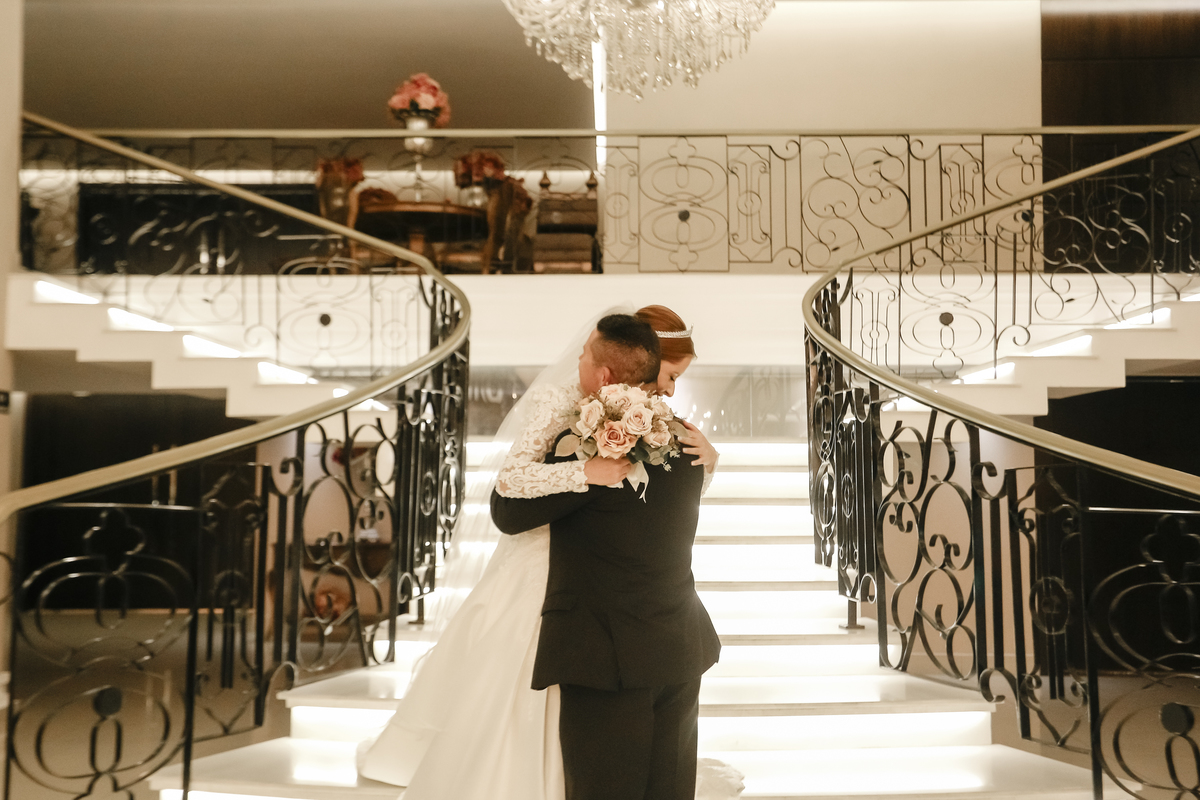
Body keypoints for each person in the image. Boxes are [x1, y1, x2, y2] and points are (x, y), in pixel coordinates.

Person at [357, 306, 730, 800]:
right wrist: (586, 472)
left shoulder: (643, 439)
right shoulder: (594, 428)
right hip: (625, 614)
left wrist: (704, 462)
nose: (670, 389)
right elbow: (513, 491)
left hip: (609, 627)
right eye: (670, 375)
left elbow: (520, 510)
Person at [489, 312, 719, 800]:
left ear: (605, 373)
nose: (670, 388)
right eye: (670, 374)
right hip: (680, 646)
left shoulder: (586, 449)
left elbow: (507, 510)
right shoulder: (686, 445)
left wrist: (580, 470)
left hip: (606, 657)